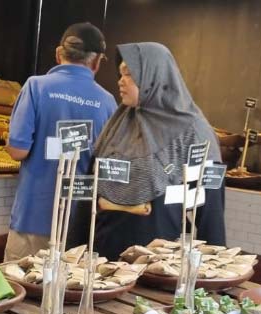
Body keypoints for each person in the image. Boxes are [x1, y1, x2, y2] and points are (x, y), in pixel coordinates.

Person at [93, 42, 225, 262]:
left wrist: (213, 271)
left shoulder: (192, 131)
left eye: (129, 74)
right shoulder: (120, 123)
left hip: (159, 260)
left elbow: (210, 209)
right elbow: (92, 182)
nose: (120, 81)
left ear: (154, 77)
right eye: (120, 73)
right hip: (105, 254)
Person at [5, 22, 117, 262]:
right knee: (68, 295)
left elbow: (17, 150)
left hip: (33, 217)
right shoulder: (108, 102)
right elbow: (109, 166)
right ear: (97, 61)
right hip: (81, 223)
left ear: (59, 54)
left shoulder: (36, 87)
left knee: (21, 289)